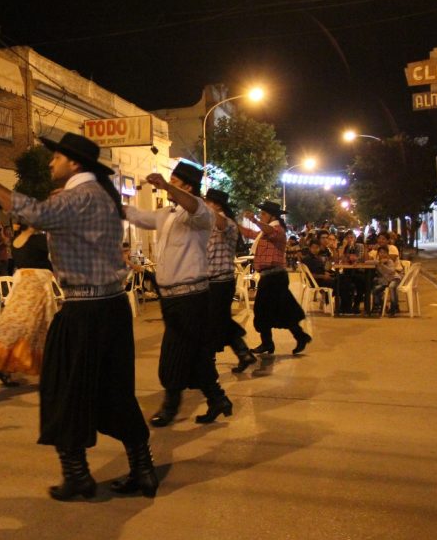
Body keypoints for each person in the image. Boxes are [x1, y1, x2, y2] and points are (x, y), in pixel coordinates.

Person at [0, 132, 156, 501]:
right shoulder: (101, 196)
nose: (51, 163)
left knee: (60, 390)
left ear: (74, 163)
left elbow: (31, 213)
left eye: (57, 157)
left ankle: (78, 476)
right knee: (114, 392)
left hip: (84, 309)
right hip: (111, 307)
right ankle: (142, 469)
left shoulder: (77, 197)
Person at [126, 162, 233, 427]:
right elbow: (138, 216)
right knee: (195, 353)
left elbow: (195, 206)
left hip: (192, 296)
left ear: (186, 186)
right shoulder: (167, 214)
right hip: (171, 296)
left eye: (175, 181)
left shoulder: (201, 213)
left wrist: (166, 185)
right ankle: (217, 398)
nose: (168, 185)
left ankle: (171, 405)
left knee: (173, 352)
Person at [0, 222, 55, 386]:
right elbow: (54, 258)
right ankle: (42, 372)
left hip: (22, 285)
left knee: (16, 326)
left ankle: (5, 369)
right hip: (36, 286)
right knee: (37, 328)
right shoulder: (40, 239)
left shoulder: (17, 240)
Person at [242, 201, 310, 355]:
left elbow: (269, 231)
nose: (261, 216)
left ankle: (269, 343)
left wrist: (254, 220)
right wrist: (232, 222)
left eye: (264, 214)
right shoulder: (263, 232)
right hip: (271, 277)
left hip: (275, 276)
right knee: (281, 310)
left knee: (263, 310)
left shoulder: (277, 230)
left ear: (272, 216)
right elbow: (249, 234)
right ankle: (299, 337)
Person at [202, 189, 256, 373]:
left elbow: (221, 223)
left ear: (216, 205)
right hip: (212, 280)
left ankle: (210, 363)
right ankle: (243, 353)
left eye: (207, 201)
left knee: (212, 322)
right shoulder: (210, 224)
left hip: (220, 281)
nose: (204, 204)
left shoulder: (226, 223)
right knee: (218, 321)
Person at [373, 245, 402, 316]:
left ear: (387, 254)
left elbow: (392, 271)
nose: (382, 254)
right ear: (378, 254)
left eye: (384, 253)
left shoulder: (390, 261)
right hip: (385, 281)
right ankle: (382, 305)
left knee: (392, 287)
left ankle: (393, 307)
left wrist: (382, 265)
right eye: (380, 252)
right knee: (375, 289)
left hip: (395, 279)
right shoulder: (377, 262)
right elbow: (369, 262)